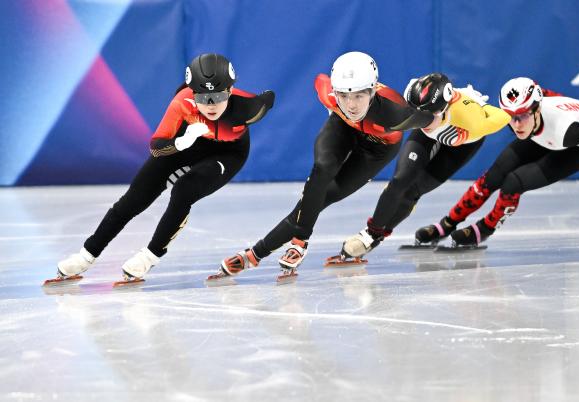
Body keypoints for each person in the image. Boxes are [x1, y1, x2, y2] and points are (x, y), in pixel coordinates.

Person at [50, 53, 275, 283]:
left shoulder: (248, 107)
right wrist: (180, 142)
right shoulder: (182, 102)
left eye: (217, 96)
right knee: (133, 199)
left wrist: (265, 97)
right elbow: (156, 148)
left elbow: (268, 99)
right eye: (203, 97)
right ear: (193, 92)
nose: (210, 105)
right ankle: (86, 255)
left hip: (227, 154)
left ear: (229, 91)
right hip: (186, 143)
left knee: (183, 191)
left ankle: (149, 257)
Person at [216, 51, 437, 279]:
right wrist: (336, 108)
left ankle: (254, 254)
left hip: (376, 148)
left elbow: (434, 119)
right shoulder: (328, 94)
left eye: (359, 96)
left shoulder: (395, 114)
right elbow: (320, 80)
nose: (351, 105)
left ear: (372, 92)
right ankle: (298, 243)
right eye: (344, 96)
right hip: (342, 127)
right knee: (322, 169)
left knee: (323, 197)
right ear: (335, 92)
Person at [414, 77, 579, 247]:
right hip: (540, 132)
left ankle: (484, 228)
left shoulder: (566, 132)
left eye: (522, 115)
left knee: (513, 183)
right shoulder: (527, 115)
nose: (516, 124)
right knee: (493, 176)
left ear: (537, 109)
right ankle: (447, 224)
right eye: (511, 117)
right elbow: (542, 92)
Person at [338, 73, 511, 259]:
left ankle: (379, 235)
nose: (424, 119)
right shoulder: (413, 90)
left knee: (413, 190)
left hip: (462, 141)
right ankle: (371, 233)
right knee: (400, 180)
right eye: (418, 112)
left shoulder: (472, 122)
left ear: (444, 107)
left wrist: (483, 107)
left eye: (429, 114)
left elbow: (504, 116)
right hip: (429, 136)